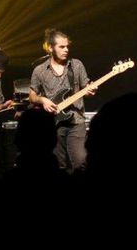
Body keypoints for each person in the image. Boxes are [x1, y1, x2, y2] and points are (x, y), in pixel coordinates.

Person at [29, 28, 96, 173]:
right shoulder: (40, 70)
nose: (66, 50)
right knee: (58, 166)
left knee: (81, 162)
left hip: (76, 121)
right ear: (50, 48)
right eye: (61, 47)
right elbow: (32, 96)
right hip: (53, 124)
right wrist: (43, 100)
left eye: (67, 46)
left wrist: (91, 90)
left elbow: (87, 89)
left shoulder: (76, 65)